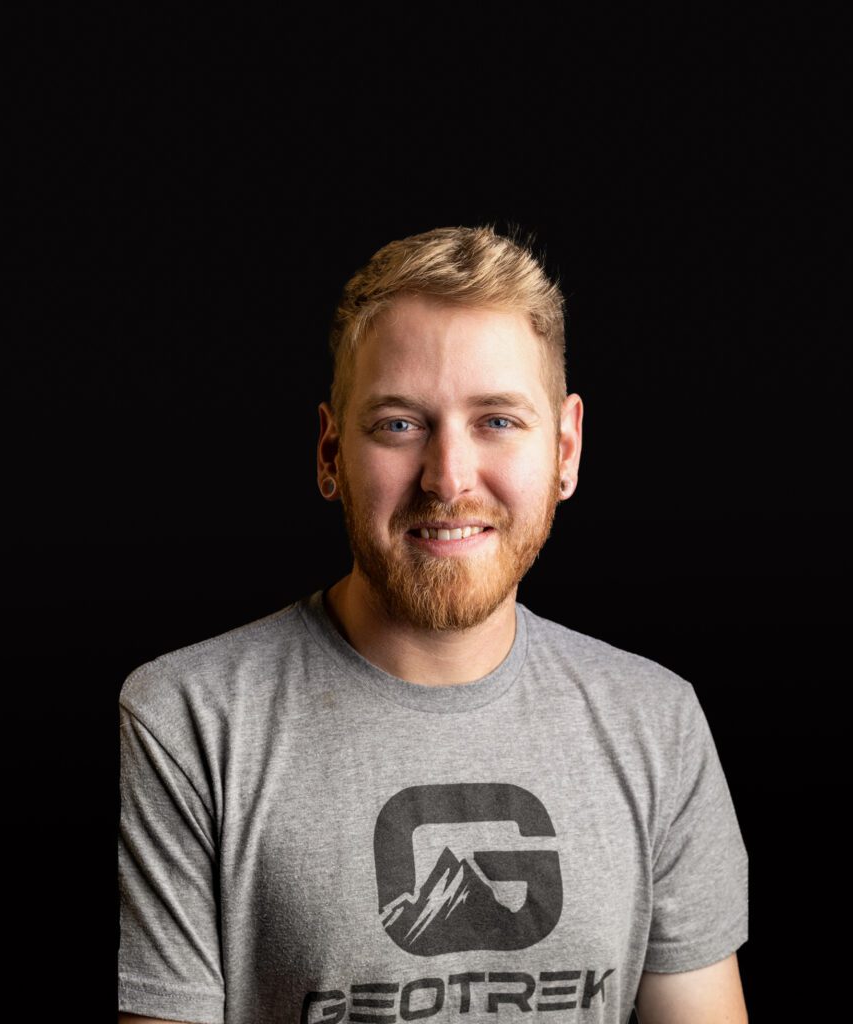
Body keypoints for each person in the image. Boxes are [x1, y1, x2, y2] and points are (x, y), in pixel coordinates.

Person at [118, 225, 750, 1024]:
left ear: (566, 449)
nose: (448, 479)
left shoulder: (657, 723)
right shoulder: (189, 722)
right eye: (399, 424)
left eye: (497, 421)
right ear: (329, 453)